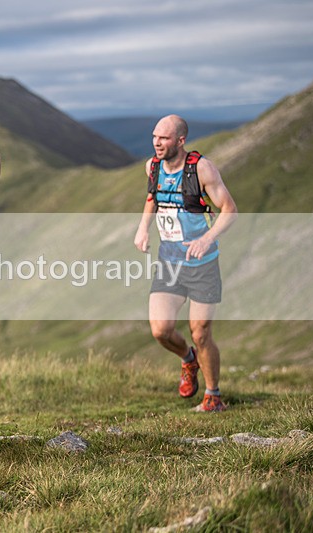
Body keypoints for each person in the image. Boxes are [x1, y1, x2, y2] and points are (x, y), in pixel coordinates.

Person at [133, 115, 237, 412]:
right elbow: (152, 197)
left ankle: (213, 396)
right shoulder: (152, 166)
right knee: (161, 330)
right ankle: (189, 361)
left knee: (200, 332)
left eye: (163, 138)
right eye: (154, 136)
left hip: (203, 263)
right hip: (170, 261)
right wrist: (143, 229)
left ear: (180, 140)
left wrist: (207, 239)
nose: (156, 142)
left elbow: (229, 210)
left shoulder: (200, 168)